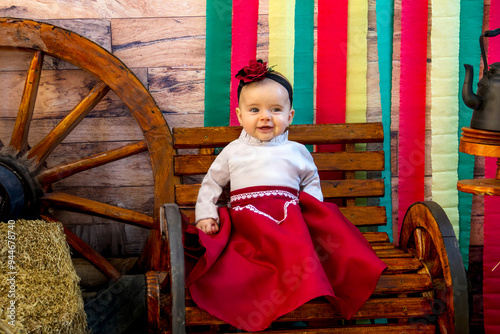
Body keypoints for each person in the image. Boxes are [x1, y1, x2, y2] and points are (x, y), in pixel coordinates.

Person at [185, 59, 387, 332]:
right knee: (243, 263)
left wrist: (313, 210)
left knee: (303, 248)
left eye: (275, 109)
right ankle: (257, 302)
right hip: (248, 224)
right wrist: (206, 215)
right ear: (240, 115)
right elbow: (211, 184)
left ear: (290, 115)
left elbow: (310, 180)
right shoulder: (233, 151)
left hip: (288, 219)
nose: (265, 117)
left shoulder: (296, 151)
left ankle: (304, 294)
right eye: (254, 110)